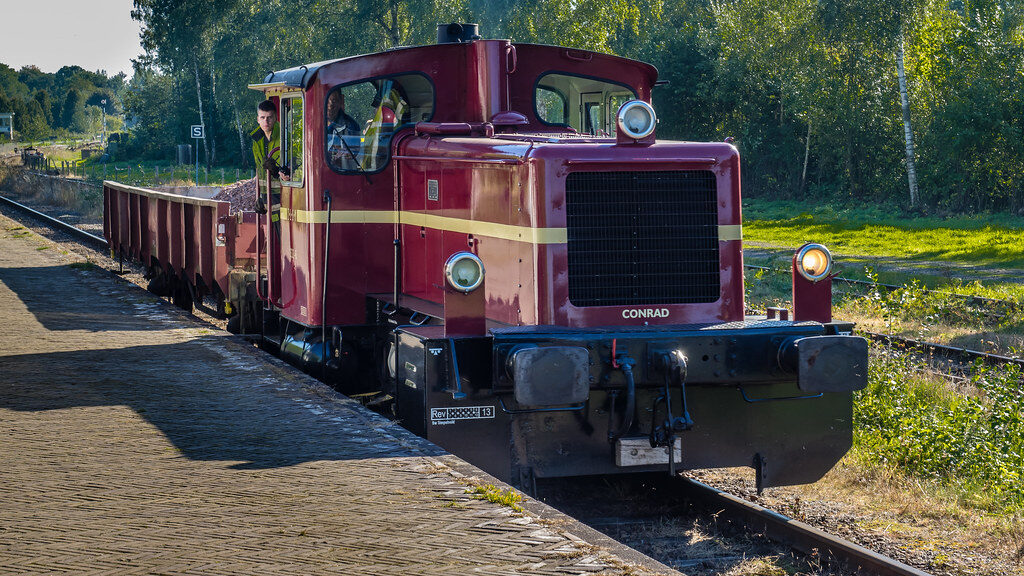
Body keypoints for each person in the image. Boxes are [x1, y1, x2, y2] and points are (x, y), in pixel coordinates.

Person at [250, 99, 289, 180]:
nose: (266, 121)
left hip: (282, 186)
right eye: (262, 117)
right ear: (258, 119)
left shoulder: (286, 136)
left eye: (269, 117)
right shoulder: (256, 139)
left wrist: (279, 172)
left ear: (275, 118)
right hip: (264, 187)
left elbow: (296, 166)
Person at [326, 91, 361, 170]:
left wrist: (345, 154)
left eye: (334, 101)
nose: (330, 107)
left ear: (341, 101)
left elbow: (354, 152)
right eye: (327, 101)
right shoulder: (316, 123)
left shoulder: (350, 126)